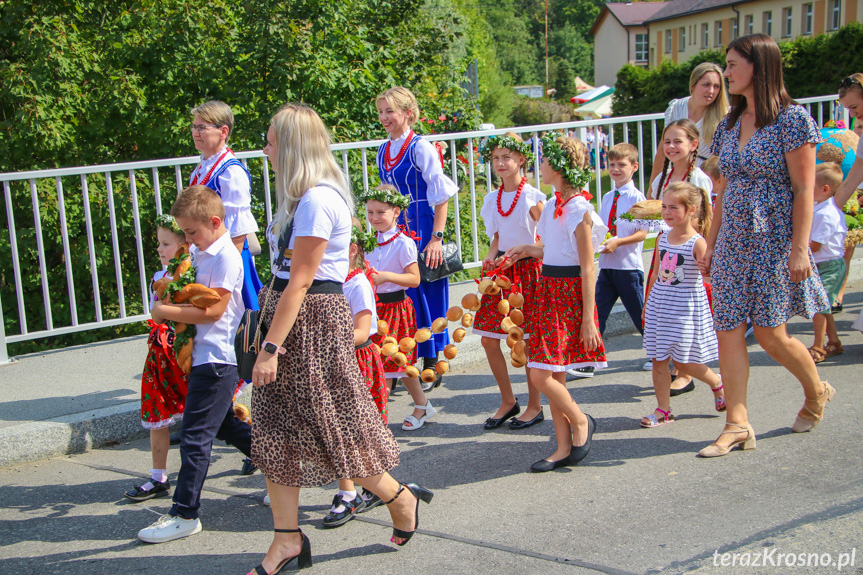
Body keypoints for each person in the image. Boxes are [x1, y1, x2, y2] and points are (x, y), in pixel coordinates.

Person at [249, 104, 432, 574]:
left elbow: (302, 281)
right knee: (275, 432)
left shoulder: (317, 200)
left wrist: (270, 347)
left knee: (336, 428)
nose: (265, 148)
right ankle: (286, 540)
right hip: (290, 316)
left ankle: (398, 496)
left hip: (309, 322)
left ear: (291, 147)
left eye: (271, 140)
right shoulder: (298, 197)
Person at [698, 34, 834, 458]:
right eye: (726, 64)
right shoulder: (728, 124)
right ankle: (736, 423)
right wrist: (711, 243)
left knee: (772, 335)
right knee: (727, 330)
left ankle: (816, 392)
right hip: (733, 241)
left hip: (774, 239)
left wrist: (799, 249)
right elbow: (721, 192)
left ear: (760, 65)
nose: (727, 72)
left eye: (734, 63)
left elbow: (803, 189)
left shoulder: (793, 121)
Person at [136, 185, 253, 543]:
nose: (188, 239)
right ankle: (281, 463)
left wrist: (164, 311)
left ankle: (184, 513)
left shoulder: (225, 257)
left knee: (194, 436)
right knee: (221, 427)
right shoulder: (202, 253)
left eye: (191, 232)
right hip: (202, 355)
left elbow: (214, 309)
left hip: (217, 356)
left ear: (214, 222)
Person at [503, 132, 606, 473]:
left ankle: (580, 421)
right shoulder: (550, 206)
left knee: (540, 374)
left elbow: (587, 265)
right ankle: (562, 446)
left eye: (545, 161)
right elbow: (553, 250)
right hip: (546, 290)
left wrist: (589, 318)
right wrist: (528, 249)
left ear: (560, 168)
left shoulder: (580, 210)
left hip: (567, 294)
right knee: (551, 373)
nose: (540, 166)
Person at [376, 87, 458, 392]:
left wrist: (436, 238)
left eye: (390, 111)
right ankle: (401, 359)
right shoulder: (383, 151)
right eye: (381, 112)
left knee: (429, 294)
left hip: (424, 228)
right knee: (402, 296)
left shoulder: (420, 147)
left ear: (408, 113)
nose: (384, 117)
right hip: (398, 229)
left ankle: (432, 360)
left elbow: (441, 195)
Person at [322, 223, 390, 528]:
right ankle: (352, 490)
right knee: (339, 430)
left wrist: (325, 341)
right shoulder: (331, 280)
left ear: (351, 250)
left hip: (356, 362)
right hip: (334, 361)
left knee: (353, 431)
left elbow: (362, 332)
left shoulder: (357, 283)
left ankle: (359, 491)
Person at [476, 133, 545, 429]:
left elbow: (549, 239)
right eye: (495, 158)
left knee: (526, 342)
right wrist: (490, 259)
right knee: (489, 339)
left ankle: (534, 406)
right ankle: (508, 401)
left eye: (507, 157)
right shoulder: (493, 199)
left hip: (527, 271)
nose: (501, 163)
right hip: (501, 273)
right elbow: (497, 238)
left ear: (521, 160)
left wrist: (525, 253)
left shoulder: (531, 197)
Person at [641, 182, 725, 427]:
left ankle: (716, 383)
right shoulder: (662, 238)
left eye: (673, 207)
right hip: (660, 306)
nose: (666, 212)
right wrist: (648, 304)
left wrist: (707, 271)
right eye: (664, 207)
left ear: (691, 210)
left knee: (684, 362)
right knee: (658, 359)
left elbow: (708, 277)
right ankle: (663, 410)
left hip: (685, 309)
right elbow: (655, 273)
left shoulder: (697, 243)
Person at [124, 215, 189, 502]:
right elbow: (155, 314)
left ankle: (251, 451)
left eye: (166, 244)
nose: (160, 249)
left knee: (211, 416)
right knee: (157, 413)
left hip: (184, 352)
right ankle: (158, 476)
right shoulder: (157, 278)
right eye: (159, 244)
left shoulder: (192, 273)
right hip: (159, 354)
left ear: (184, 246)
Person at [361, 185, 433, 431]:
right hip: (373, 309)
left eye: (381, 211)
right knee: (393, 365)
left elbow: (414, 279)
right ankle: (422, 403)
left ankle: (377, 422)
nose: (374, 218)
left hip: (396, 309)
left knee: (392, 363)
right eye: (370, 212)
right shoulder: (367, 242)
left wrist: (386, 276)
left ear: (396, 211)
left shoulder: (403, 243)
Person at [648, 120, 714, 390]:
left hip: (688, 250)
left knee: (686, 319)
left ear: (693, 145)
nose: (672, 146)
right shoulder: (661, 178)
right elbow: (657, 213)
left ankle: (686, 373)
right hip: (665, 246)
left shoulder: (698, 178)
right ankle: (675, 368)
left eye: (678, 141)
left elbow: (706, 216)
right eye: (667, 142)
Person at [188, 100, 262, 311]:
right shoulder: (203, 167)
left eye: (202, 127)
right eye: (194, 127)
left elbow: (238, 227)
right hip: (207, 253)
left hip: (226, 256)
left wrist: (229, 269)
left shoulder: (231, 172)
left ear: (223, 131)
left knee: (233, 314)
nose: (196, 132)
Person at [595, 143, 648, 345]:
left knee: (639, 315)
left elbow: (642, 233)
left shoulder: (637, 198)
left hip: (628, 268)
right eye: (612, 164)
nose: (615, 169)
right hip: (607, 266)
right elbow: (602, 229)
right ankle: (590, 360)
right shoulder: (608, 197)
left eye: (621, 165)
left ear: (634, 167)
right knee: (597, 314)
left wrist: (618, 242)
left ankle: (658, 355)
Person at [648, 62, 730, 185]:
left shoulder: (724, 115)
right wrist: (652, 189)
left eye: (716, 86)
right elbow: (662, 150)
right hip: (676, 177)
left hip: (706, 181)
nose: (711, 91)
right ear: (693, 85)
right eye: (706, 85)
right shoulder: (676, 107)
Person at [808, 162, 847, 363]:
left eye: (810, 185)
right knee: (824, 305)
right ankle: (834, 341)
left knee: (819, 306)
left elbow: (815, 245)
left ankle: (818, 346)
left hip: (829, 265)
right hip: (822, 264)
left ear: (825, 189)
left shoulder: (826, 214)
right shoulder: (820, 208)